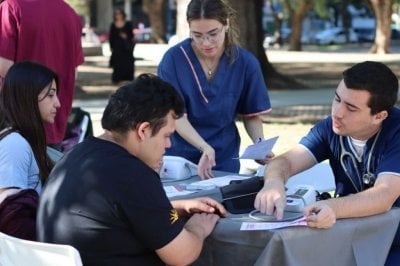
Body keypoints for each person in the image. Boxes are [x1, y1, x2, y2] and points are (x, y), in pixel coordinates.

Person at [37, 74, 226, 266]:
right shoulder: (132, 174)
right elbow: (182, 255)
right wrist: (198, 228)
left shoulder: (76, 154)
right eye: (166, 136)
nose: (168, 144)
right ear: (143, 130)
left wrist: (174, 208)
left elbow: (118, 212)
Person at [254, 61, 400, 263]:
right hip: (347, 235)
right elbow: (285, 161)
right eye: (337, 99)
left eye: (351, 108)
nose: (337, 112)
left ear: (379, 116)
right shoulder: (328, 128)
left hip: (392, 241)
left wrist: (332, 207)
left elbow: (383, 196)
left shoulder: (396, 133)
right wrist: (273, 183)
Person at [157, 0, 272, 179]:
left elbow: (251, 115)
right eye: (197, 35)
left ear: (225, 24)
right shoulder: (173, 61)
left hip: (224, 160)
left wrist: (260, 146)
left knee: (220, 205)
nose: (206, 42)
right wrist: (204, 147)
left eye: (213, 33)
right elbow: (176, 116)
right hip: (178, 161)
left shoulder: (246, 63)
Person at [0, 0, 84, 147]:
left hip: (16, 125)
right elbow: (73, 74)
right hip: (54, 123)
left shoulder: (11, 7)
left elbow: (3, 67)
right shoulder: (71, 14)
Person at [0, 61, 60, 240]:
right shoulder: (14, 144)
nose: (57, 103)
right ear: (28, 96)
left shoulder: (21, 139)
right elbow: (10, 218)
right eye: (50, 95)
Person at [109, 7, 135, 84]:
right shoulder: (113, 25)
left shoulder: (128, 24)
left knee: (128, 62)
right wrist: (111, 46)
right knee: (117, 63)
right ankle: (117, 79)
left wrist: (126, 36)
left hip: (126, 47)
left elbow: (132, 36)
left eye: (120, 13)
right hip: (117, 48)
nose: (118, 15)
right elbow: (111, 37)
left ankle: (128, 78)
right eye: (116, 14)